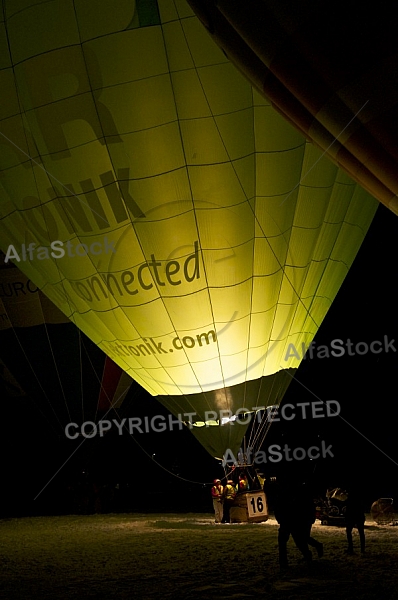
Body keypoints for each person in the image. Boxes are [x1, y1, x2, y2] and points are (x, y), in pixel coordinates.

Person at [274, 479, 318, 569]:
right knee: (295, 541)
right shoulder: (290, 493)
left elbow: (278, 507)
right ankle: (285, 562)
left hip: (291, 521)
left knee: (297, 541)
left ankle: (285, 562)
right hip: (290, 521)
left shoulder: (288, 494)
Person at [345, 488, 365, 554]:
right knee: (361, 532)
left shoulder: (350, 498)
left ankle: (350, 548)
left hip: (352, 515)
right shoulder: (360, 496)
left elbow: (348, 507)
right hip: (359, 515)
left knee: (348, 531)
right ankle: (362, 549)